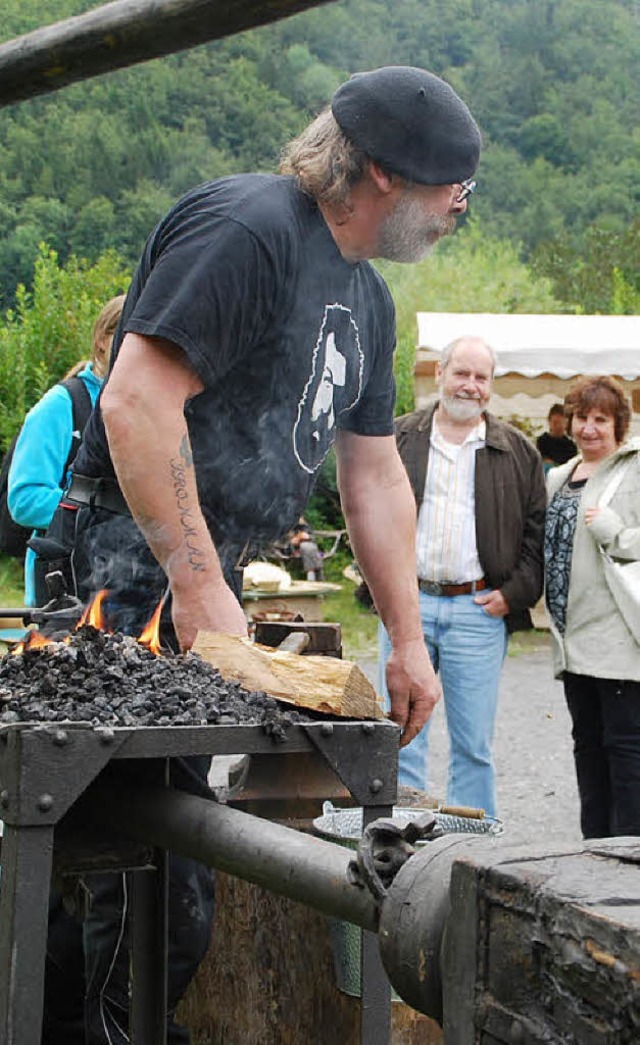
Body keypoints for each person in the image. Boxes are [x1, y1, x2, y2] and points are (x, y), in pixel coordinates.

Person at [38, 66, 482, 1042]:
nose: (460, 203)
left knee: (169, 907)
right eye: (453, 182)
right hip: (121, 593)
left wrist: (407, 642)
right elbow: (134, 401)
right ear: (377, 171)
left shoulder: (365, 300)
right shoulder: (248, 230)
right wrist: (200, 590)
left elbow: (372, 479)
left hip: (204, 586)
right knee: (123, 900)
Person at [378, 335, 546, 817]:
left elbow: (536, 536)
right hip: (406, 607)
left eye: (481, 377)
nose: (470, 386)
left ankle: (471, 856)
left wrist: (511, 596)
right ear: (440, 374)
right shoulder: (397, 438)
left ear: (491, 386)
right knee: (403, 732)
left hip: (478, 612)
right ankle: (400, 842)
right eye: (462, 373)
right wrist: (384, 592)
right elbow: (364, 514)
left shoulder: (517, 452)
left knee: (473, 745)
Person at [545, 376, 640, 838]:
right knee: (587, 747)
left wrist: (617, 533)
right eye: (582, 417)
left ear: (619, 424)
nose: (589, 428)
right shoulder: (559, 477)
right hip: (573, 639)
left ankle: (628, 859)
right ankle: (594, 850)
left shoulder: (635, 469)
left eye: (601, 419)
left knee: (625, 750)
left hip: (619, 638)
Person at [7, 295, 125, 607]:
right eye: (126, 337)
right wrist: (102, 512)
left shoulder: (142, 409)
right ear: (102, 341)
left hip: (125, 584)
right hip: (63, 586)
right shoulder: (61, 404)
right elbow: (24, 499)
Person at [536, 403, 577, 472]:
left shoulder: (570, 445)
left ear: (566, 423)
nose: (558, 426)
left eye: (561, 423)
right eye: (555, 423)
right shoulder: (542, 441)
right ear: (549, 422)